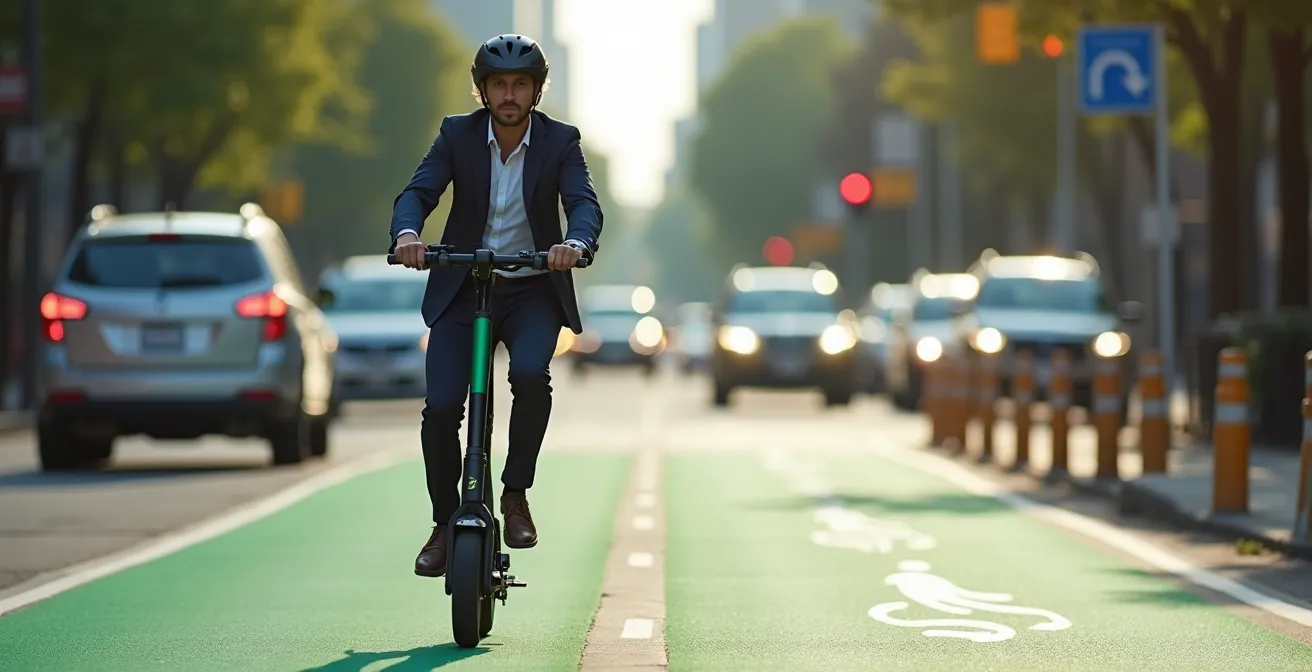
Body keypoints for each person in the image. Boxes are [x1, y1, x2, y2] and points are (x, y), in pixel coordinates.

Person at [389, 34, 603, 578]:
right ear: (483, 90)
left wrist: (574, 246)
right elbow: (418, 192)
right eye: (499, 84)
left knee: (531, 375)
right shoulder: (456, 134)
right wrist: (409, 233)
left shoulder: (561, 142)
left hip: (532, 287)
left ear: (536, 92)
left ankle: (514, 493)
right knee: (440, 408)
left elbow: (582, 204)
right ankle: (443, 523)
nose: (509, 94)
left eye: (520, 85)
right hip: (463, 286)